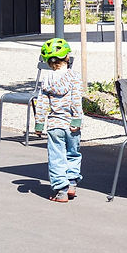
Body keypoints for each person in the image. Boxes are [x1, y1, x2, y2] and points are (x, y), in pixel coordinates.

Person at [33, 38, 83, 203]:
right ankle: (71, 186)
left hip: (55, 125)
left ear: (48, 62)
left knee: (57, 157)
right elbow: (76, 99)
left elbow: (41, 103)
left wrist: (39, 123)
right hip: (71, 125)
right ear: (67, 58)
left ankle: (60, 190)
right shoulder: (74, 77)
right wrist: (76, 119)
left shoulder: (46, 80)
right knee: (73, 154)